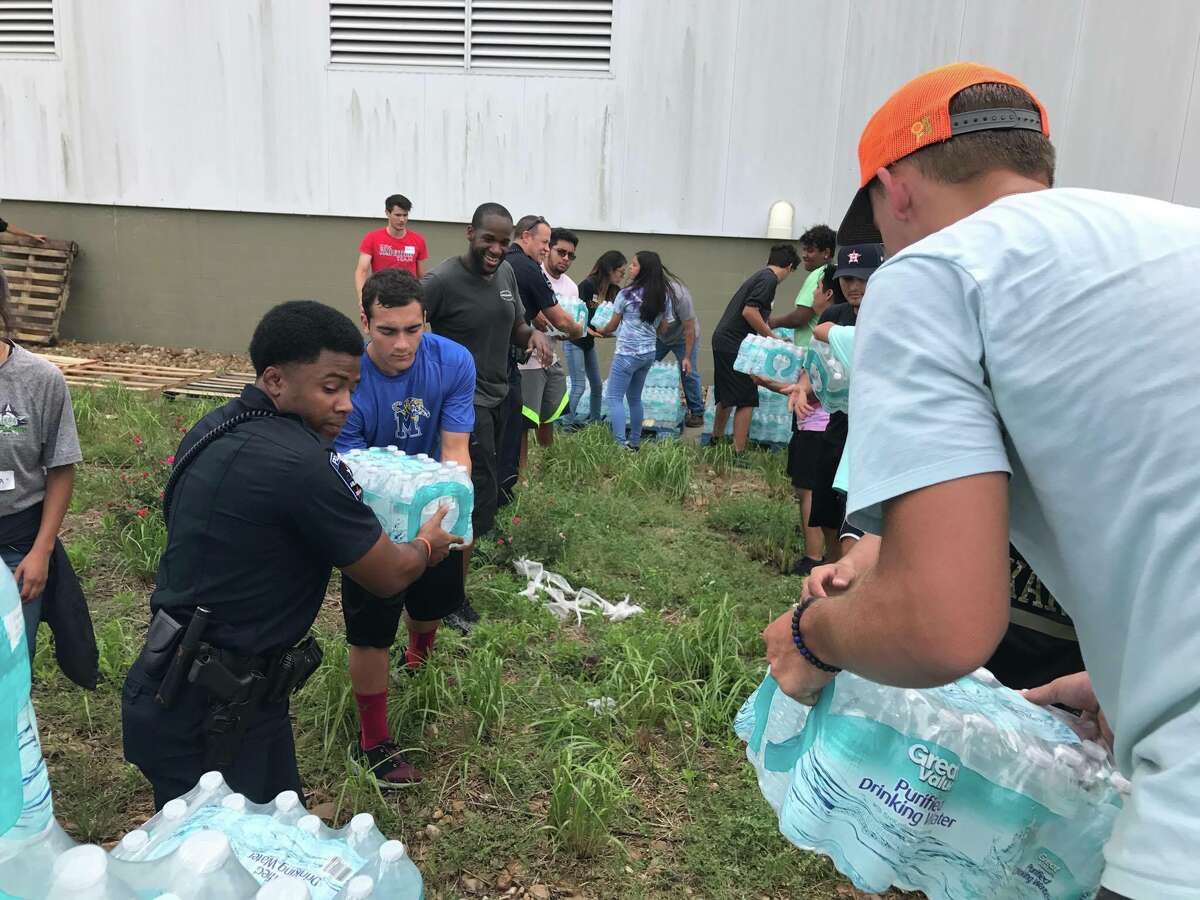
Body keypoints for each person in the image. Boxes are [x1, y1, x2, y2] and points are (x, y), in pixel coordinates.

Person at [761, 62, 1200, 900]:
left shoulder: (939, 273)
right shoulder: (1169, 236)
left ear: (894, 189)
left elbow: (941, 624)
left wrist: (815, 634)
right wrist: (1127, 674)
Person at [122, 300, 459, 808]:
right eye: (330, 388)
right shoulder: (300, 464)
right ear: (276, 380)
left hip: (187, 680)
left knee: (256, 833)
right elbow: (389, 575)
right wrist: (426, 545)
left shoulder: (214, 426)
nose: (345, 404)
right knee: (232, 864)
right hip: (214, 706)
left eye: (351, 389)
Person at [335, 269, 475, 785]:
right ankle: (374, 739)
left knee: (432, 600)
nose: (402, 343)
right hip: (369, 509)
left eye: (413, 329)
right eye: (387, 330)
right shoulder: (346, 372)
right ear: (365, 321)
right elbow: (348, 469)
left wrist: (456, 513)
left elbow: (455, 449)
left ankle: (419, 661)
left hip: (432, 498)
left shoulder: (452, 361)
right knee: (371, 627)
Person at [422, 203, 553, 633]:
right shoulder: (442, 280)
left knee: (491, 490)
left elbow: (515, 323)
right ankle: (450, 600)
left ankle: (457, 570)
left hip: (501, 393)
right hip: (462, 403)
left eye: (503, 241)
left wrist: (532, 334)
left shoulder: (506, 275)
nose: (496, 249)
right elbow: (406, 319)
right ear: (469, 234)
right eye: (488, 240)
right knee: (467, 494)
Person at [0, 269, 91, 682]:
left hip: (19, 545)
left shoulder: (40, 380)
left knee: (12, 665)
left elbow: (60, 467)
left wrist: (42, 551)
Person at [497, 216, 584, 503]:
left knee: (545, 414)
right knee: (521, 422)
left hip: (523, 356)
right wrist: (577, 329)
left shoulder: (506, 264)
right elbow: (560, 319)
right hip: (519, 360)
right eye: (546, 243)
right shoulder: (529, 268)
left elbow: (522, 306)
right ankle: (515, 482)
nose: (548, 250)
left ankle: (531, 474)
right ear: (525, 237)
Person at [782, 265, 844, 574]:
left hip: (818, 425)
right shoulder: (827, 329)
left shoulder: (833, 332)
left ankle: (814, 557)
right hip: (815, 423)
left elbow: (826, 382)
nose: (814, 293)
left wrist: (802, 390)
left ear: (829, 293)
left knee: (809, 491)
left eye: (817, 287)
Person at [709, 244, 800, 454]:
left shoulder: (760, 275)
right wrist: (774, 338)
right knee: (747, 398)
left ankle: (715, 440)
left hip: (724, 340)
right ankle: (738, 452)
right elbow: (750, 312)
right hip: (734, 344)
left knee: (727, 396)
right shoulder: (769, 279)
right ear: (789, 266)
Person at [594, 250, 675, 451]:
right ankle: (636, 442)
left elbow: (612, 326)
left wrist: (600, 331)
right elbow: (664, 328)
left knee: (614, 398)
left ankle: (620, 445)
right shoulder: (663, 295)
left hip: (626, 355)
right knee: (635, 398)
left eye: (634, 264)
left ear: (644, 270)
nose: (630, 268)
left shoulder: (626, 294)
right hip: (648, 354)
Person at [566, 250, 626, 426]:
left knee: (597, 385)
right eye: (620, 272)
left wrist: (608, 331)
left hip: (588, 343)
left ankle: (595, 421)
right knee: (578, 386)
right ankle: (566, 423)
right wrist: (592, 331)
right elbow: (574, 314)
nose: (622, 276)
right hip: (575, 341)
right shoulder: (587, 285)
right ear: (609, 269)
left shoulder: (612, 291)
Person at [652, 262, 703, 428]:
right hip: (661, 337)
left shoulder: (680, 295)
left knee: (688, 372)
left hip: (684, 337)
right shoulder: (645, 293)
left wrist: (687, 357)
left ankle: (697, 412)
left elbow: (689, 328)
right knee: (645, 365)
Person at [768, 224, 836, 348]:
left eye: (810, 250)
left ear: (826, 252)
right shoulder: (833, 272)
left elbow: (800, 318)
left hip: (810, 351)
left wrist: (772, 322)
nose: (804, 255)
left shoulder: (820, 273)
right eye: (804, 249)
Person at [354, 194, 429, 299]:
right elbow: (361, 271)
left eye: (405, 215)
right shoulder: (372, 238)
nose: (402, 219)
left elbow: (422, 276)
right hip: (381, 297)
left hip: (408, 298)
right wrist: (362, 299)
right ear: (387, 213)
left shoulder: (418, 240)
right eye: (398, 215)